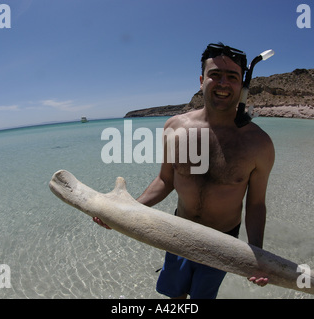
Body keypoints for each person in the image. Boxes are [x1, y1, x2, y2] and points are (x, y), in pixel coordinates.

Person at [93, 42, 275, 299]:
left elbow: (256, 204)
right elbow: (165, 181)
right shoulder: (175, 127)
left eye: (232, 77)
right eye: (215, 75)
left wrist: (258, 254)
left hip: (222, 243)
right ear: (202, 80)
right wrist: (124, 212)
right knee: (174, 296)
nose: (223, 83)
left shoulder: (259, 143)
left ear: (242, 85)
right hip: (178, 232)